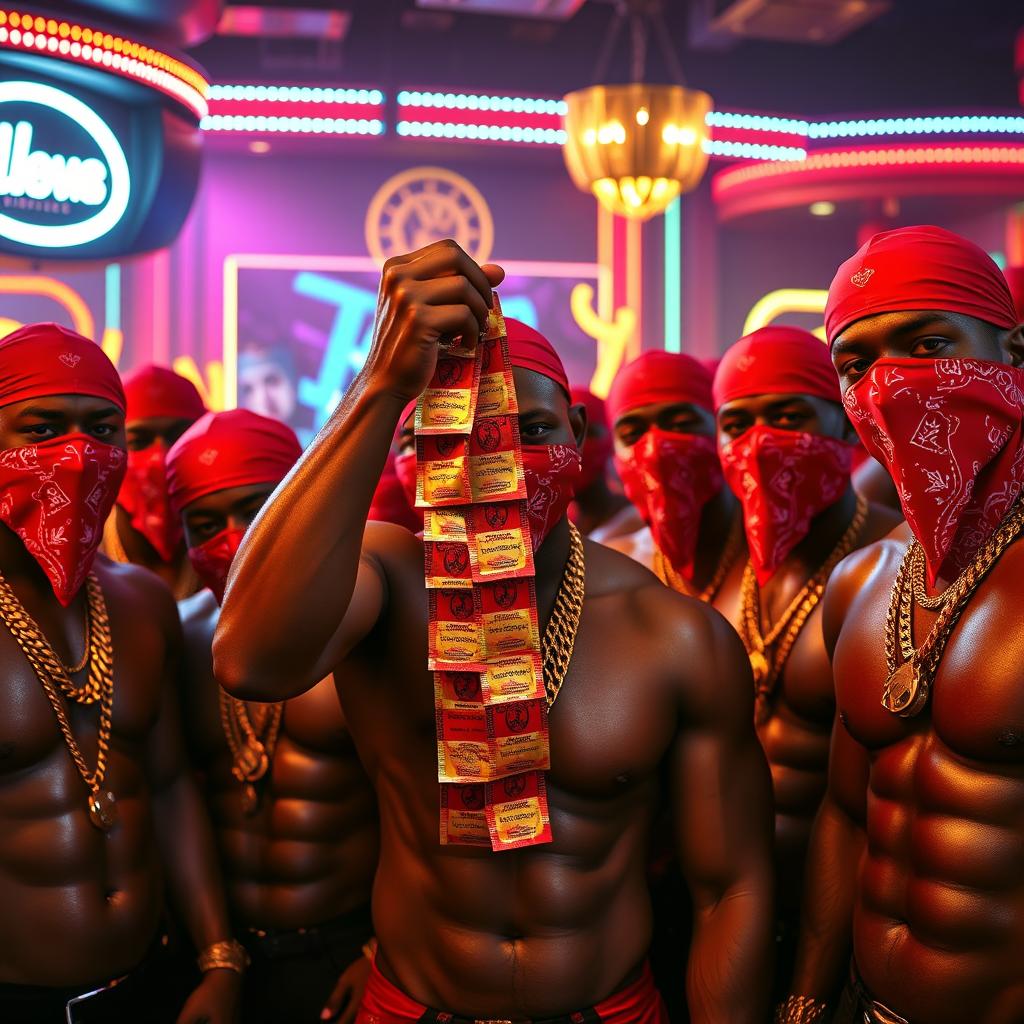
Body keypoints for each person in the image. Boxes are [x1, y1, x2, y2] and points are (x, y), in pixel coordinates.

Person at [213, 241, 775, 1023]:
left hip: (607, 1007)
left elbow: (732, 887)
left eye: (531, 430)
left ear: (578, 433)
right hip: (413, 1004)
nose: (500, 464)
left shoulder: (671, 634)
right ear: (410, 454)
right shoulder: (382, 580)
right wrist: (380, 384)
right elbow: (249, 658)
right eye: (458, 434)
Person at [781, 225, 1024, 1024]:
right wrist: (809, 997)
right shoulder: (861, 581)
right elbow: (847, 813)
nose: (889, 384)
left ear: (1014, 353)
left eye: (926, 345)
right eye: (857, 364)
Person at [0, 324, 240, 1023]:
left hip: (149, 985)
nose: (78, 455)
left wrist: (220, 958)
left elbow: (166, 786)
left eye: (103, 430)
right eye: (43, 430)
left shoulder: (140, 601)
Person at [168, 410, 380, 1024]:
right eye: (205, 524)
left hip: (346, 949)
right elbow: (167, 793)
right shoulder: (177, 639)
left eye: (258, 509)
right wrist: (217, 958)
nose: (234, 539)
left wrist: (383, 951)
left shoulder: (359, 632)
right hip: (225, 956)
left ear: (300, 502)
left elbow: (423, 806)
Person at [712, 326, 901, 999]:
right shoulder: (715, 564)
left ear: (845, 422)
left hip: (849, 915)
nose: (760, 442)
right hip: (717, 912)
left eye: (789, 416)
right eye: (736, 422)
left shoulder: (893, 559)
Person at [605, 351, 745, 612]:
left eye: (680, 424)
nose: (655, 450)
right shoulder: (612, 570)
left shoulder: (775, 558)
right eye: (632, 434)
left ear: (721, 429)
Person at [103, 364, 206, 599]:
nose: (161, 457)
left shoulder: (227, 545)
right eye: (139, 441)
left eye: (179, 438)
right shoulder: (87, 552)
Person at [568, 385, 641, 541]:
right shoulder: (560, 530)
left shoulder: (638, 524)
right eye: (566, 434)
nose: (575, 446)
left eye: (590, 433)